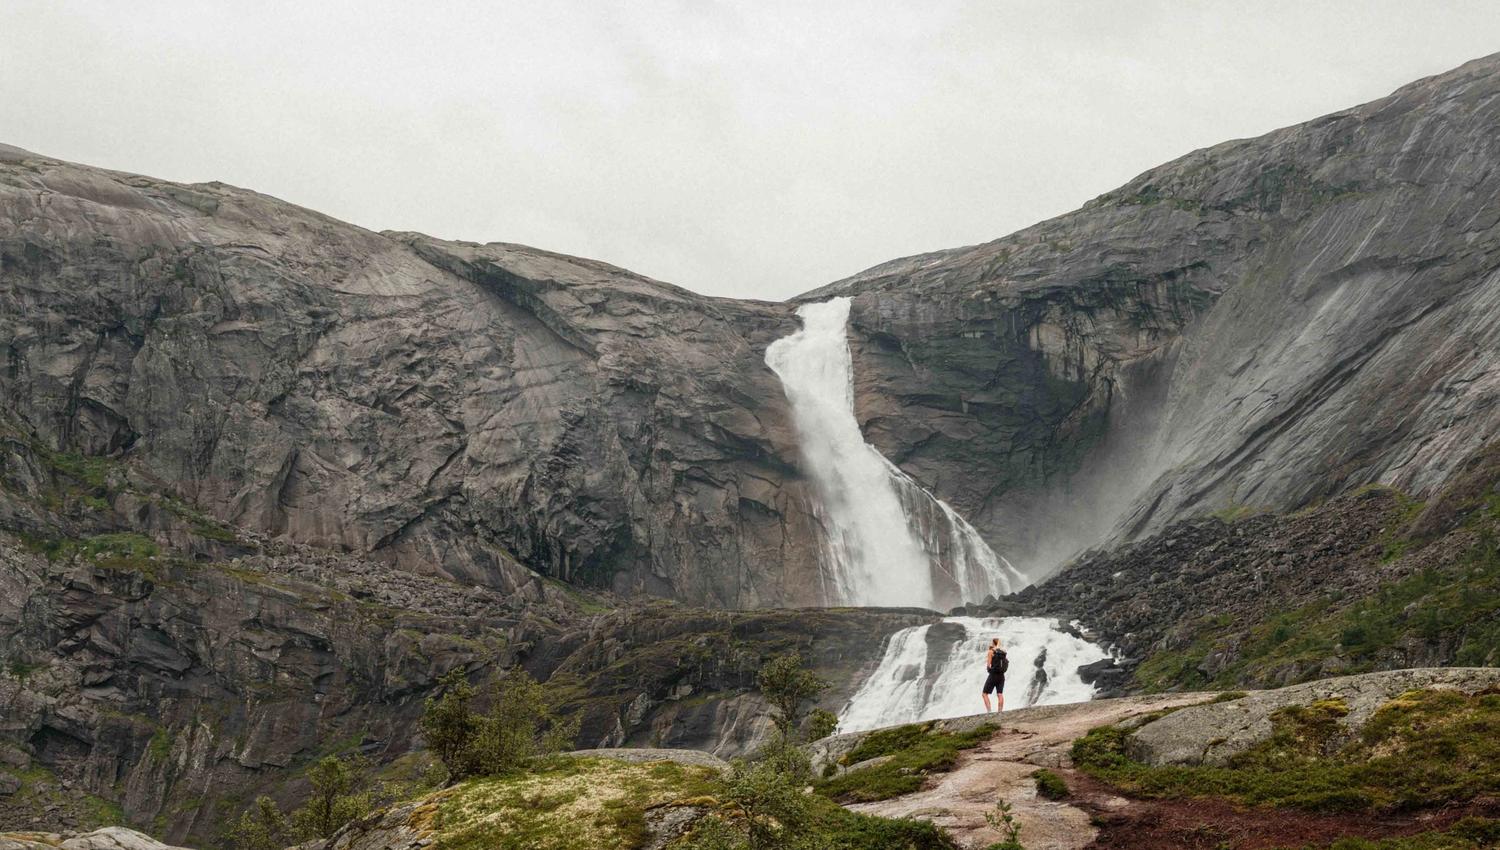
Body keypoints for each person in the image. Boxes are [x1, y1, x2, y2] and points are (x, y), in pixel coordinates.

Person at [981, 638, 1007, 713]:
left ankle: (989, 712)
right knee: (1000, 694)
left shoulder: (991, 651)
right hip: (1001, 676)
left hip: (993, 675)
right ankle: (1000, 712)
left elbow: (988, 665)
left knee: (984, 694)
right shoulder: (1003, 652)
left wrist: (989, 670)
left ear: (993, 643)